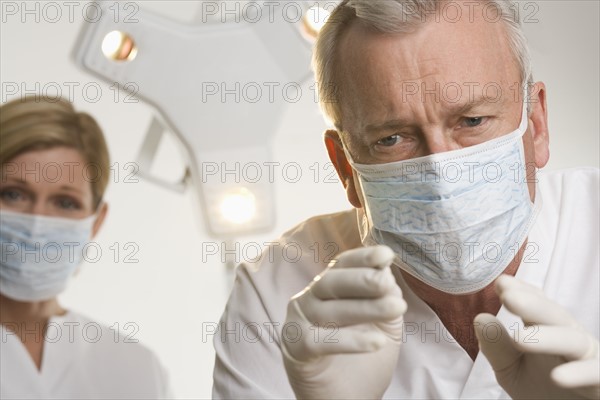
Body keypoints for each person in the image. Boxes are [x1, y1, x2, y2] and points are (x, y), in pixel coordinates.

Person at [212, 0, 599, 399]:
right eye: (392, 139)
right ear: (345, 166)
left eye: (472, 121)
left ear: (535, 126)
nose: (441, 175)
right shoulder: (279, 292)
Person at [0, 96, 171, 399]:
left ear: (95, 222)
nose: (37, 222)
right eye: (13, 194)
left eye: (65, 202)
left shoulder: (136, 368)